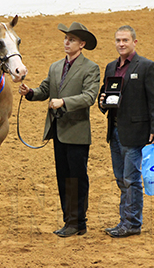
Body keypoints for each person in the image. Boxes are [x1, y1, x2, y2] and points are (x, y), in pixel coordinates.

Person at [18, 22, 100, 238]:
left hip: (77, 131)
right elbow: (45, 89)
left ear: (82, 44)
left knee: (77, 178)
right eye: (66, 38)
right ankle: (69, 221)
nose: (66, 42)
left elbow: (89, 97)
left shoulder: (90, 68)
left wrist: (63, 102)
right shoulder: (55, 67)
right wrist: (30, 92)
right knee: (63, 177)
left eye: (72, 39)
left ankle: (78, 221)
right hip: (59, 130)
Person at [98, 25, 154, 238]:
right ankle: (124, 221)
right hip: (115, 131)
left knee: (131, 178)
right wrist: (102, 103)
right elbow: (106, 96)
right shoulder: (110, 67)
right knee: (121, 178)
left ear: (134, 42)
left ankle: (132, 223)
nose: (121, 44)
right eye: (118, 40)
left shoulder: (146, 66)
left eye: (125, 40)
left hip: (135, 132)